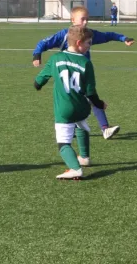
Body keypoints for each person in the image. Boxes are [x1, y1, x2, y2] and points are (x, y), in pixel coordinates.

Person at [32, 6, 135, 140]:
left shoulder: (88, 34)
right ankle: (95, 129)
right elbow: (43, 43)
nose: (86, 22)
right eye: (83, 19)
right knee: (84, 99)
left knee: (90, 97)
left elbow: (107, 35)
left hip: (83, 74)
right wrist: (37, 55)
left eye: (87, 19)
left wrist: (123, 38)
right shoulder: (64, 35)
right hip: (68, 75)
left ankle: (103, 129)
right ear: (73, 20)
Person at [34, 25, 107, 179]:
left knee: (63, 143)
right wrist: (99, 104)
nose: (90, 46)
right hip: (82, 107)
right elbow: (90, 92)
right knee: (82, 125)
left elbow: (39, 81)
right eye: (89, 43)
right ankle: (85, 158)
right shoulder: (86, 63)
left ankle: (75, 169)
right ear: (79, 43)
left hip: (64, 109)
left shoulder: (55, 59)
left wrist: (38, 85)